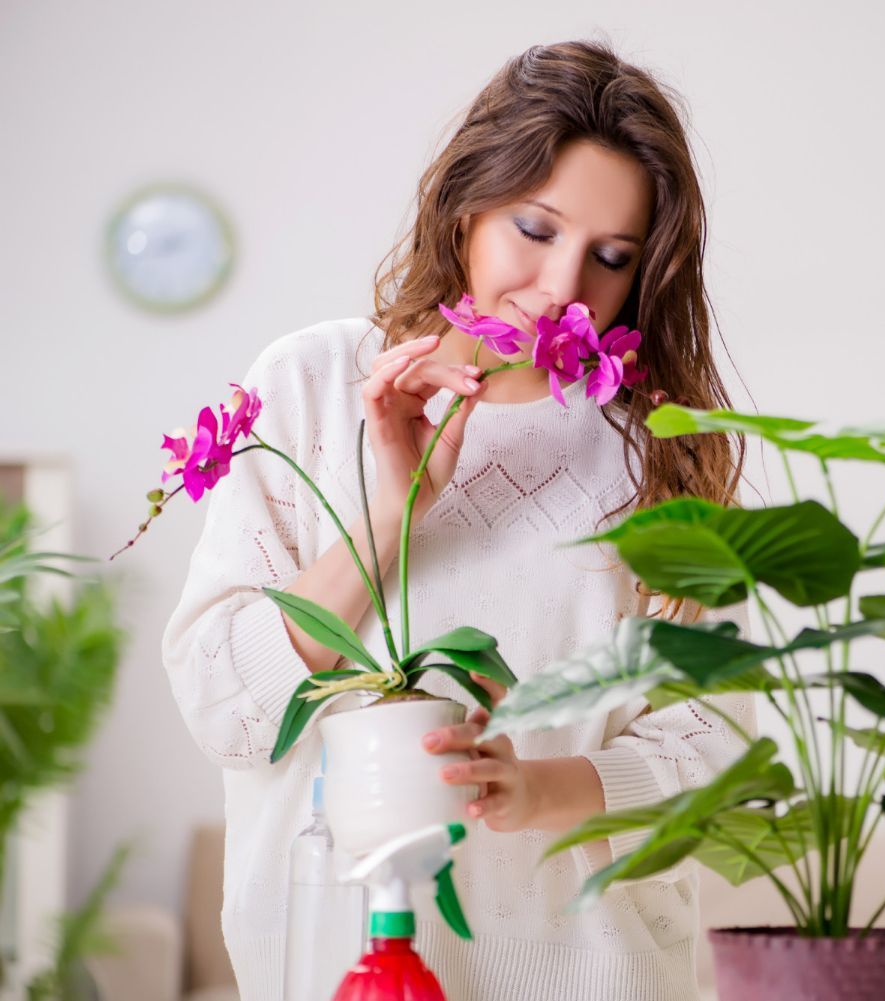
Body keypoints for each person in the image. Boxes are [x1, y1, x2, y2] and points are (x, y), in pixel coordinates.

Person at [161, 39, 753, 1001]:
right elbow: (223, 706)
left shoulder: (660, 454)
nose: (563, 288)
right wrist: (388, 517)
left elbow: (715, 747)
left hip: (596, 977)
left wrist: (537, 787)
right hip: (326, 967)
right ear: (469, 202)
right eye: (534, 227)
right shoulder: (313, 388)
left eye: (610, 257)